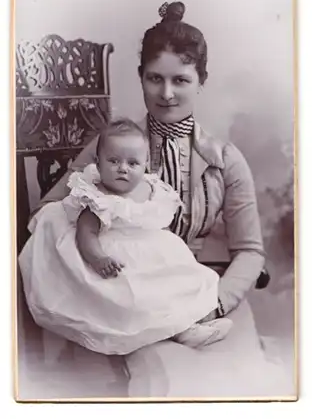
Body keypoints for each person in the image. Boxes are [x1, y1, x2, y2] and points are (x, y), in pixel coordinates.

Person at [28, 0, 266, 323]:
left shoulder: (225, 161)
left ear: (201, 80)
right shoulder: (111, 148)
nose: (166, 93)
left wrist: (216, 304)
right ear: (141, 77)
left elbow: (250, 252)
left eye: (180, 80)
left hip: (200, 292)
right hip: (119, 294)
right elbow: (48, 213)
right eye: (155, 78)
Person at [19, 118, 233, 355]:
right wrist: (98, 258)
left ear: (145, 165)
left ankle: (193, 321)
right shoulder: (97, 196)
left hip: (146, 248)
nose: (123, 168)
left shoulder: (151, 188)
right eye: (113, 161)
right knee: (136, 298)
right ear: (98, 164)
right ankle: (180, 331)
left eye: (133, 163)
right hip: (115, 255)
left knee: (181, 279)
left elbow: (154, 222)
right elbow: (86, 233)